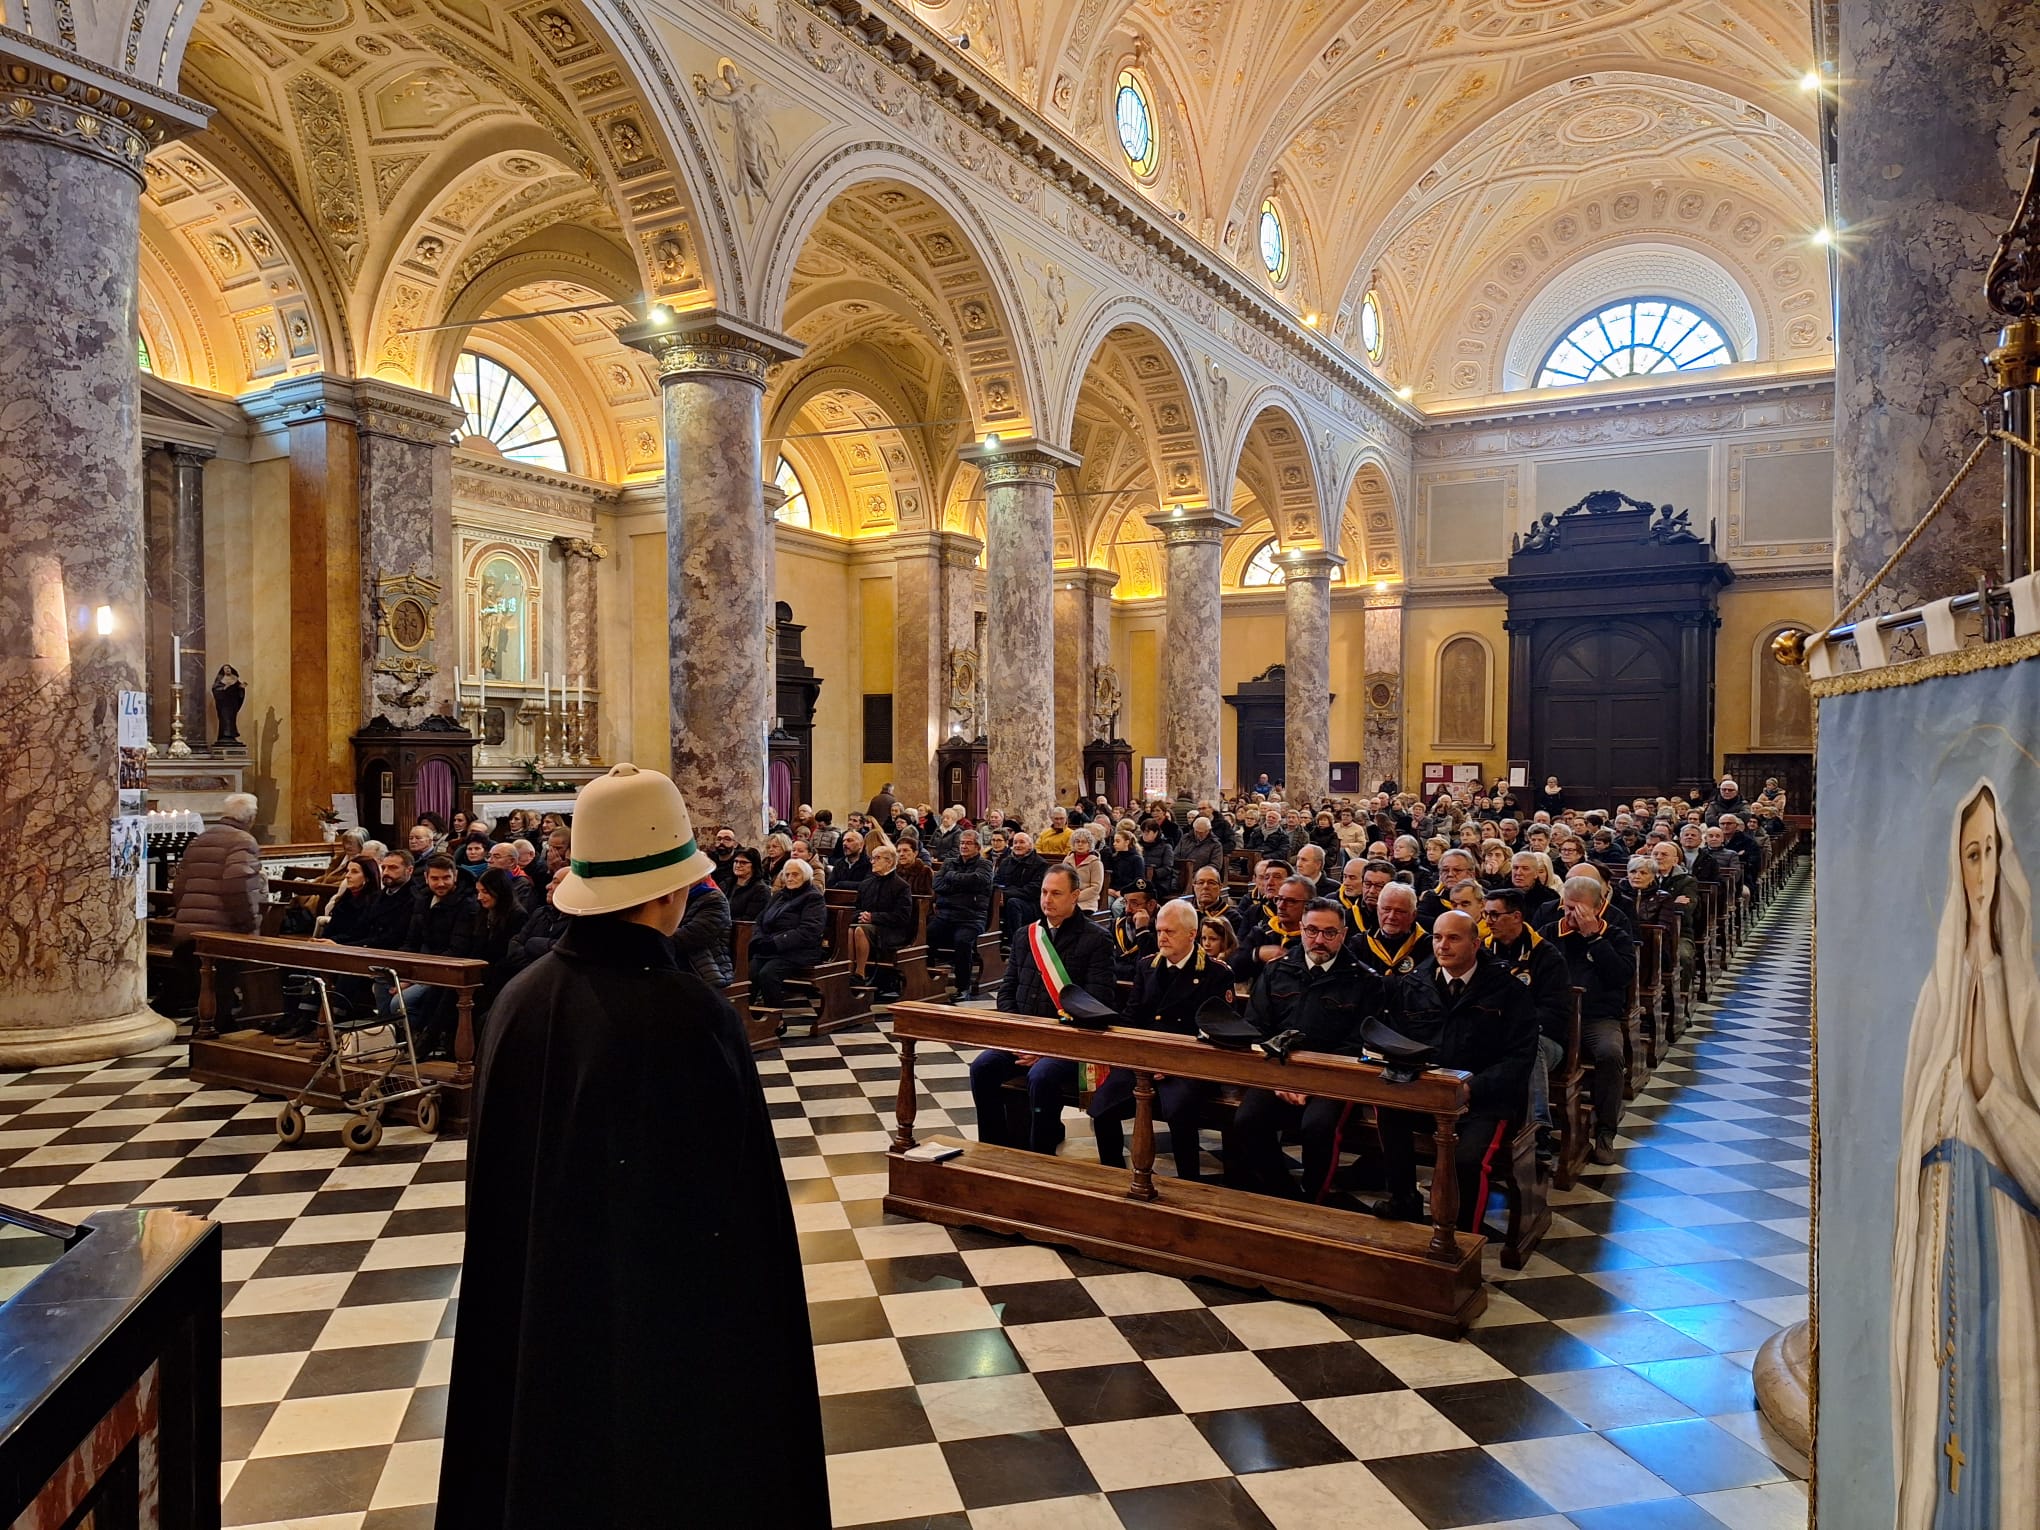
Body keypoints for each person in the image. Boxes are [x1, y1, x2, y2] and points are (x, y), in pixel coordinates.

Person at [437, 764, 824, 1528]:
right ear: (670, 891)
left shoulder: (519, 999)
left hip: (535, 1321)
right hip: (656, 1344)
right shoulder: (688, 1013)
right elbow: (737, 1217)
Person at [1892, 782, 2040, 1528]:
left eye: (1993, 853)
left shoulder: (2032, 992)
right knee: (1937, 1422)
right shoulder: (1936, 992)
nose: (1982, 872)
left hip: (2010, 1232)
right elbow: (1921, 1107)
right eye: (1970, 855)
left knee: (2006, 1415)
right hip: (1940, 1230)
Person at [1373, 910, 1537, 1229]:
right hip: (1429, 1090)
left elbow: (1520, 1058)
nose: (1442, 946)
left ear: (1475, 944)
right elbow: (1398, 1039)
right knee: (1389, 1110)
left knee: (1465, 1159)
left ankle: (1463, 1234)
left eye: (1453, 938)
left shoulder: (1508, 990)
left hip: (1484, 1101)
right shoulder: (1416, 984)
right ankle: (1404, 1199)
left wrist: (1474, 1087)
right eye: (1437, 937)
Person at [1223, 898, 1382, 1202]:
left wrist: (1311, 1082)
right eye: (1312, 931)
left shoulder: (1364, 980)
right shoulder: (1277, 970)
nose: (1319, 940)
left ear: (1344, 933)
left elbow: (1357, 1041)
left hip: (1333, 1075)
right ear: (1300, 929)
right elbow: (1256, 1026)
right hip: (1279, 1068)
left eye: (1329, 933)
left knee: (1318, 1126)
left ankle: (1316, 1198)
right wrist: (1282, 1076)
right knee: (1247, 1120)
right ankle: (1282, 1192)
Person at [969, 864, 1116, 1155]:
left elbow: (1097, 1003)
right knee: (982, 1067)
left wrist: (1046, 1046)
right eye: (1044, 892)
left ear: (1075, 896)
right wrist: (1021, 1039)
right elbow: (1007, 991)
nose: (1047, 899)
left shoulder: (1096, 939)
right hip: (1023, 1039)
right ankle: (994, 1149)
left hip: (1069, 1044)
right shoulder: (1027, 935)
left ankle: (1041, 1156)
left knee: (1042, 1076)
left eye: (1056, 893)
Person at [1089, 899, 1232, 1180]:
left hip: (1188, 1065)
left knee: (1180, 1112)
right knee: (1101, 1107)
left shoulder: (1215, 973)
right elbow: (1132, 1017)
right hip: (1144, 1061)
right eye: (1159, 931)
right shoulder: (1147, 966)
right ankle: (1113, 1174)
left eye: (1170, 932)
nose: (1162, 938)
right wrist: (1136, 1058)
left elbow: (1216, 1031)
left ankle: (1188, 1181)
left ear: (1192, 935)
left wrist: (1170, 1062)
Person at [1541, 874, 1635, 1165]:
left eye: (1579, 910)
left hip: (1597, 1017)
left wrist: (1595, 938)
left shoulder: (1616, 934)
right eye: (1567, 909)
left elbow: (1621, 977)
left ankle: (1605, 1131)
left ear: (1598, 907)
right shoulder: (1549, 932)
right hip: (1557, 1018)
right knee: (1527, 1049)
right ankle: (1538, 1126)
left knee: (1610, 1053)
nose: (1572, 916)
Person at [1483, 887, 1574, 1150]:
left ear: (1516, 916)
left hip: (1545, 1039)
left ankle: (1538, 1128)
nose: (1487, 921)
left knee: (1529, 1049)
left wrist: (1516, 1027)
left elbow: (1555, 1012)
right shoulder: (1484, 951)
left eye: (1494, 915)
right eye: (1485, 914)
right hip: (1493, 1033)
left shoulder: (1547, 956)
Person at [170, 791, 264, 943]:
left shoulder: (200, 839)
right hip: (223, 934)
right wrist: (250, 924)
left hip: (188, 931)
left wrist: (187, 915)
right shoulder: (244, 842)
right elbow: (239, 888)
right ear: (252, 818)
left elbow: (180, 885)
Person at [749, 859, 828, 1009]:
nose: (790, 878)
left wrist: (776, 943)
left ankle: (775, 1018)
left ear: (805, 876)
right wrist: (759, 939)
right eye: (787, 874)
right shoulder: (779, 896)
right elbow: (760, 920)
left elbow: (809, 930)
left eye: (795, 874)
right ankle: (747, 1016)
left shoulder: (813, 898)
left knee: (768, 974)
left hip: (799, 951)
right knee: (750, 973)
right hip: (771, 948)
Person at [928, 828, 995, 998]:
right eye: (962, 843)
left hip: (971, 918)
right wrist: (961, 885)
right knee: (925, 935)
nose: (964, 846)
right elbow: (937, 884)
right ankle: (927, 979)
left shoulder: (985, 864)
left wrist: (952, 879)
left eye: (968, 843)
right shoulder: (950, 863)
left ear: (977, 847)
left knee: (962, 941)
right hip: (946, 915)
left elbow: (978, 881)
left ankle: (962, 987)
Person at [848, 844, 915, 1001]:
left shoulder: (901, 886)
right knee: (851, 929)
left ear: (889, 862)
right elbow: (856, 908)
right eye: (872, 858)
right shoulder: (866, 884)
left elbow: (902, 917)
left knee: (859, 930)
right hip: (868, 926)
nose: (872, 862)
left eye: (877, 858)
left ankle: (860, 973)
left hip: (892, 931)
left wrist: (873, 917)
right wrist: (861, 916)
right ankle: (848, 971)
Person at [505, 866, 573, 978]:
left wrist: (532, 943)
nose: (548, 886)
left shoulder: (579, 920)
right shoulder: (541, 912)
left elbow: (561, 956)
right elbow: (515, 945)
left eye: (555, 882)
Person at [672, 870, 734, 989]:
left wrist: (655, 938)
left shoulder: (714, 899)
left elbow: (694, 935)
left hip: (705, 967)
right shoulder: (676, 898)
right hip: (680, 961)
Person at [1355, 882, 1431, 976]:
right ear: (1378, 910)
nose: (1391, 916)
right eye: (1386, 909)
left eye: (1399, 911)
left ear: (1413, 915)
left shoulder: (1428, 946)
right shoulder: (1359, 944)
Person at [1109, 880, 1159, 981]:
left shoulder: (1162, 928)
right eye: (1125, 902)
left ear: (1151, 905)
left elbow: (1148, 965)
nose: (1127, 909)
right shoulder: (1118, 924)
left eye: (1134, 903)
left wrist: (1142, 930)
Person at [1062, 828, 1105, 911]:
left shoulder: (1095, 862)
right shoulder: (1067, 860)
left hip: (1086, 903)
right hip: (1068, 899)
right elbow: (1062, 880)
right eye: (1077, 841)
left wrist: (1075, 897)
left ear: (1089, 844)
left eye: (1084, 842)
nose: (1080, 844)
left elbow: (1096, 888)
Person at [724, 846, 770, 924]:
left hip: (741, 931)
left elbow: (749, 920)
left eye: (743, 862)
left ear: (754, 865)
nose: (738, 865)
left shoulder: (760, 890)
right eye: (736, 861)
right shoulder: (726, 883)